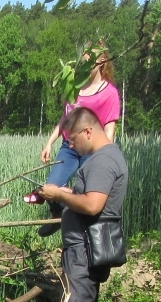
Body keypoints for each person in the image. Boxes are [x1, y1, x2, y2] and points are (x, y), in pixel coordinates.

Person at [38, 106, 128, 302]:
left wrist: (59, 194)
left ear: (88, 131)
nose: (71, 145)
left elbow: (92, 205)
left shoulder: (103, 161)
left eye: (73, 139)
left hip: (86, 250)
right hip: (81, 247)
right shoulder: (102, 158)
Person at [37, 46, 122, 236]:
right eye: (82, 60)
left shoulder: (109, 93)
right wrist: (50, 142)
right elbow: (65, 118)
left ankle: (83, 230)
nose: (83, 64)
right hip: (69, 146)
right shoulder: (75, 87)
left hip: (91, 150)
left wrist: (103, 156)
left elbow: (110, 128)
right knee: (52, 184)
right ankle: (56, 216)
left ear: (100, 63)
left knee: (86, 192)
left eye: (88, 61)